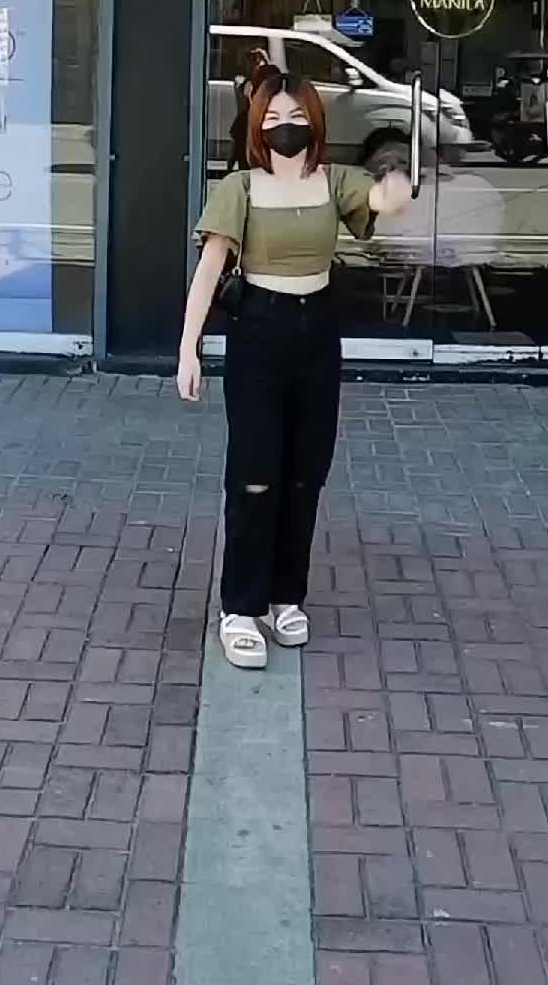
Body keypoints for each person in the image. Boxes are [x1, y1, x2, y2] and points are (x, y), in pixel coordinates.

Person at [177, 70, 415, 669]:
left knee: (306, 474)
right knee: (255, 475)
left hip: (318, 331)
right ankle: (241, 607)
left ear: (315, 120)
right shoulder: (240, 187)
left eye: (297, 117)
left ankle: (287, 596)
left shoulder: (335, 181)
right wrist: (188, 348)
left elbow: (384, 201)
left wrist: (397, 182)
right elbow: (209, 270)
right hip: (259, 329)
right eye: (274, 119)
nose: (286, 128)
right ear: (257, 127)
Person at [227, 47, 273, 170]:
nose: (258, 67)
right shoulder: (245, 84)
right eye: (254, 62)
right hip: (247, 124)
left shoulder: (266, 84)